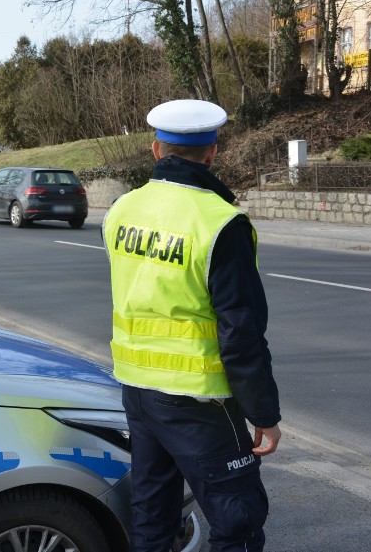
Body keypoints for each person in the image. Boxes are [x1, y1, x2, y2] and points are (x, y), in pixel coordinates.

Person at [101, 99, 282, 552]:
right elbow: (241, 332)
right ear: (213, 151)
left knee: (153, 517)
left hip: (138, 391)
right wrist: (263, 414)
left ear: (156, 150)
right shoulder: (220, 222)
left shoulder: (122, 210)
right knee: (236, 521)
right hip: (198, 400)